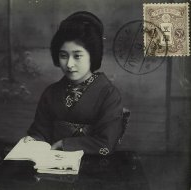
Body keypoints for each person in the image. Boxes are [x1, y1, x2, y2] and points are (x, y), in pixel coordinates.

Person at [26, 11, 123, 155]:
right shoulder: (51, 93)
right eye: (63, 56)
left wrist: (65, 144)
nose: (69, 64)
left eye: (77, 56)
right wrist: (33, 140)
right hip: (52, 165)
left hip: (95, 167)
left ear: (93, 55)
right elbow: (40, 131)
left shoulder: (108, 94)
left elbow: (106, 144)